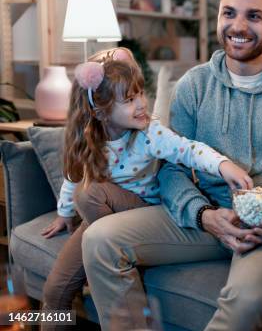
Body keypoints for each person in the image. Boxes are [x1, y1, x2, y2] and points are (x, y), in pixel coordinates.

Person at [81, 0, 262, 331]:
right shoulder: (194, 85)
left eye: (254, 16)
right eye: (229, 13)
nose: (238, 25)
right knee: (99, 241)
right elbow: (172, 168)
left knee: (245, 302)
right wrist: (203, 215)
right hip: (205, 217)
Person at [40, 47, 251, 331]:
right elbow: (72, 176)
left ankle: (110, 258)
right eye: (129, 99)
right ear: (101, 111)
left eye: (140, 93)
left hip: (149, 212)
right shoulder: (89, 140)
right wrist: (64, 214)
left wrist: (223, 165)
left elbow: (189, 151)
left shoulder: (151, 134)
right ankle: (102, 260)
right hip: (106, 218)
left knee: (90, 194)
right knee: (54, 292)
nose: (141, 103)